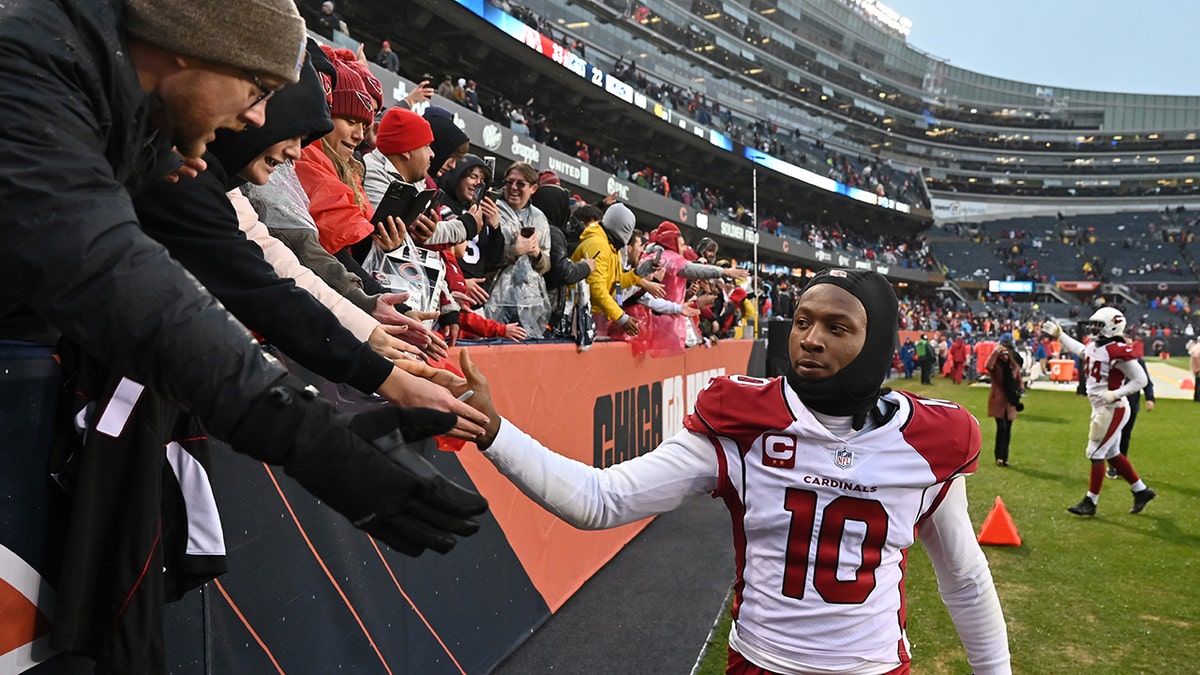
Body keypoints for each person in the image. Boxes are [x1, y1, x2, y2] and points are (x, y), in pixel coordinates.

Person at [0, 1, 487, 670]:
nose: (260, 117)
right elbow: (121, 280)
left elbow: (256, 272)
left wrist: (376, 376)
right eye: (256, 91)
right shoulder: (31, 71)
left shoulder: (135, 116)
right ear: (183, 47)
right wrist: (310, 437)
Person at [458, 268, 1011, 674]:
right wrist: (494, 430)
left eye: (837, 327)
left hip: (872, 667)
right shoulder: (744, 423)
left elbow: (963, 576)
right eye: (802, 320)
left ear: (879, 343)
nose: (810, 338)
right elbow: (600, 499)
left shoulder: (928, 441)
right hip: (762, 664)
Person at [1043, 308, 1157, 515]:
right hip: (1101, 407)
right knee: (1112, 454)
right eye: (1093, 324)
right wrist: (1061, 336)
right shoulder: (1096, 346)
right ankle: (1141, 490)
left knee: (1095, 452)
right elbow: (1081, 351)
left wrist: (1116, 393)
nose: (1094, 328)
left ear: (1113, 326)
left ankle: (1091, 502)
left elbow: (1141, 380)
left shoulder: (1117, 349)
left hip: (1113, 408)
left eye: (1099, 325)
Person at [1107, 352, 1154, 478]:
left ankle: (1121, 464)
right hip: (1115, 404)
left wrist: (1150, 398)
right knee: (1114, 435)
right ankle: (1113, 465)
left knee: (1125, 435)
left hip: (1132, 404)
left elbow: (1147, 381)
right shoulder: (1112, 361)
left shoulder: (1138, 362)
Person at [985, 333, 1024, 467]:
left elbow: (1018, 379)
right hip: (998, 401)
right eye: (1002, 354)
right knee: (1002, 427)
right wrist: (996, 351)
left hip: (1010, 402)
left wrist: (1020, 389)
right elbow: (988, 365)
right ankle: (998, 457)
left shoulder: (1013, 367)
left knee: (1008, 431)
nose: (1004, 356)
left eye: (1006, 354)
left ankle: (1004, 458)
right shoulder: (996, 367)